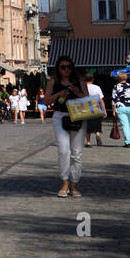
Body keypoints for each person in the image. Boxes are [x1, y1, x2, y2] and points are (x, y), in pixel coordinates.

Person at [44, 56, 85, 197]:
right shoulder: (53, 81)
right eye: (63, 67)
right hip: (60, 116)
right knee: (63, 150)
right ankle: (65, 182)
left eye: (68, 66)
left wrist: (77, 92)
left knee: (77, 153)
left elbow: (87, 99)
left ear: (72, 67)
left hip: (78, 116)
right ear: (58, 68)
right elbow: (46, 100)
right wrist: (58, 94)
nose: (66, 69)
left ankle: (74, 184)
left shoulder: (79, 80)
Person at [83, 71, 106, 147]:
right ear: (92, 79)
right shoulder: (97, 87)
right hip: (96, 107)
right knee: (96, 123)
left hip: (86, 108)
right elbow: (101, 99)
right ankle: (97, 134)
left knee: (87, 126)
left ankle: (89, 142)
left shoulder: (82, 87)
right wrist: (104, 110)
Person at [113, 72, 130, 147]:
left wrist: (113, 111)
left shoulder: (116, 86)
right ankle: (128, 141)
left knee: (125, 125)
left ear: (118, 78)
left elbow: (114, 100)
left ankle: (128, 142)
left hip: (121, 107)